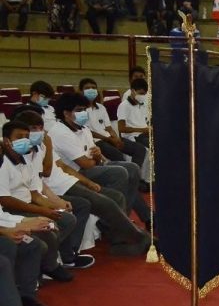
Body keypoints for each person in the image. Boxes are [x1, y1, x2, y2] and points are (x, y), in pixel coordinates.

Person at [15, 110, 151, 256]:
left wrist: (87, 182)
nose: (38, 132)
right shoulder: (32, 149)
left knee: (116, 196)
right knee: (105, 202)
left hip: (68, 180)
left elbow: (63, 167)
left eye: (40, 128)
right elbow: (47, 172)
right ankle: (140, 238)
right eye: (33, 129)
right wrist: (47, 145)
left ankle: (118, 239)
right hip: (58, 188)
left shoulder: (41, 144)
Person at [0, 122, 91, 278]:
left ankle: (52, 259)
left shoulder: (24, 159)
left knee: (67, 218)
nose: (24, 140)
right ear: (7, 140)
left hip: (28, 204)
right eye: (19, 137)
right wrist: (42, 211)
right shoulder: (3, 164)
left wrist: (52, 206)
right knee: (49, 228)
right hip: (12, 208)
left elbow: (35, 193)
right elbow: (5, 200)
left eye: (26, 137)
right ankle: (50, 265)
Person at [48, 93, 151, 227]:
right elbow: (85, 163)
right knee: (120, 173)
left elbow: (96, 155)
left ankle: (123, 217)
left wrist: (98, 158)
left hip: (90, 166)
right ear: (66, 113)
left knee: (133, 169)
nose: (84, 113)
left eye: (84, 110)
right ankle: (115, 220)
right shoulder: (60, 132)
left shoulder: (83, 128)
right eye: (79, 110)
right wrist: (97, 158)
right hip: (74, 174)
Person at [79, 78, 146, 167]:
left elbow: (109, 127)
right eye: (87, 88)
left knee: (139, 149)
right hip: (96, 141)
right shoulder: (79, 109)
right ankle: (124, 176)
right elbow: (86, 131)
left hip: (109, 138)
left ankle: (134, 175)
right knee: (117, 154)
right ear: (81, 91)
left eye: (93, 88)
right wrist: (109, 139)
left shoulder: (101, 107)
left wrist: (116, 138)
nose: (91, 90)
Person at [115, 78, 150, 152]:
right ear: (132, 91)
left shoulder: (141, 104)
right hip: (133, 136)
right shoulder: (124, 106)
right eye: (140, 93)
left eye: (144, 94)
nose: (142, 96)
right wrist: (142, 130)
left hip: (144, 134)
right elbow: (121, 128)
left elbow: (143, 122)